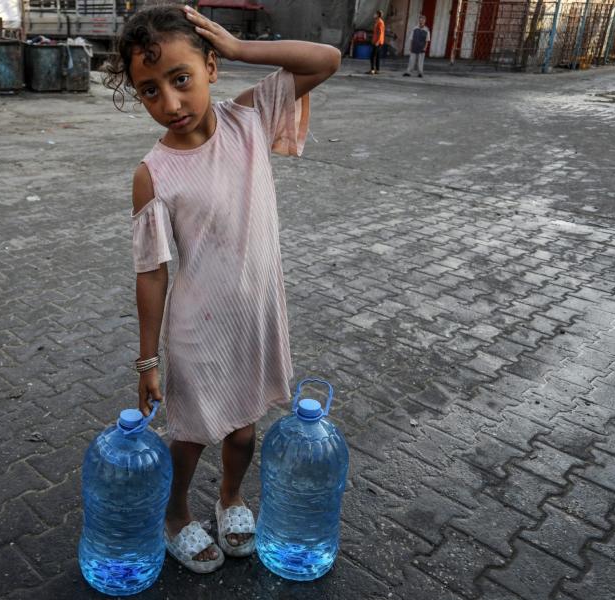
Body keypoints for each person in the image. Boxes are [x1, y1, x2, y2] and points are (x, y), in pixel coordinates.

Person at [103, 4, 340, 574]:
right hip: (196, 329)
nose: (170, 103)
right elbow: (152, 272)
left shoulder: (249, 120)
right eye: (149, 91)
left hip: (255, 313)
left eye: (180, 79)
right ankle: (175, 515)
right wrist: (146, 361)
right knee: (190, 435)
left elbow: (326, 59)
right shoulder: (153, 173)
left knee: (241, 428)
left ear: (211, 66)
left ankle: (231, 497)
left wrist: (241, 48)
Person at [368, 10, 386, 74]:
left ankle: (373, 69)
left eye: (375, 13)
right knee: (377, 56)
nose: (374, 14)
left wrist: (377, 42)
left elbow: (381, 33)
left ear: (378, 15)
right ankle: (377, 70)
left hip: (378, 42)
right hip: (376, 41)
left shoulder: (380, 22)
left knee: (372, 56)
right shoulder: (377, 22)